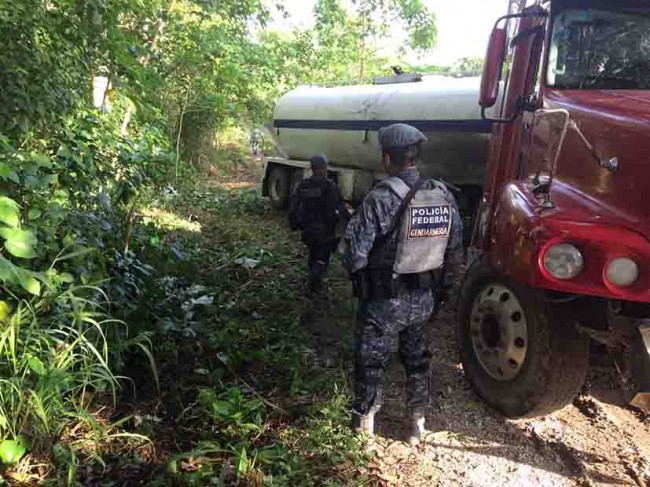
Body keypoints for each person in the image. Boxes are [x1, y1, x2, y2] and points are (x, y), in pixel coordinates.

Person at [342, 123, 463, 445]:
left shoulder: (380, 198)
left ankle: (364, 425)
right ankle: (415, 425)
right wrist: (444, 292)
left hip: (383, 299)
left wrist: (360, 279)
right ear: (416, 156)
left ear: (386, 158)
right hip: (424, 298)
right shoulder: (442, 194)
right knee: (417, 360)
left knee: (371, 360)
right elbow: (454, 250)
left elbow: (354, 254)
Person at [289, 154, 350, 294]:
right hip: (326, 230)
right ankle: (313, 282)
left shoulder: (303, 186)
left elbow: (293, 208)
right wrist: (347, 219)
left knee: (313, 254)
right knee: (322, 259)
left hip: (308, 230)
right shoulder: (330, 186)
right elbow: (341, 206)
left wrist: (295, 224)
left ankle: (314, 284)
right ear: (324, 168)